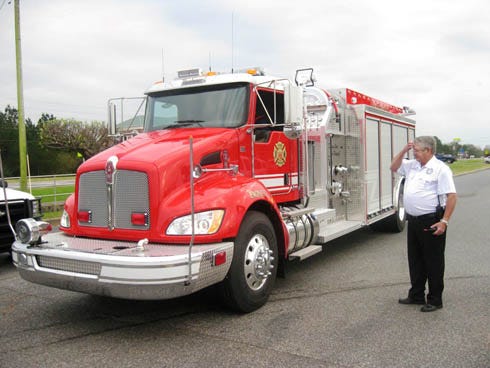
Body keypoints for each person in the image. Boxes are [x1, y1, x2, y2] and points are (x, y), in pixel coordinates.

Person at [390, 136, 457, 312]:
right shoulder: (413, 165)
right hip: (413, 220)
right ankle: (416, 295)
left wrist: (444, 221)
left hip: (431, 220)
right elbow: (393, 167)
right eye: (413, 151)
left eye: (417, 151)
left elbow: (451, 196)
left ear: (428, 150)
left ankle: (435, 299)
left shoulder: (440, 169)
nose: (415, 154)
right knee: (415, 260)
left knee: (433, 261)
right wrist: (404, 151)